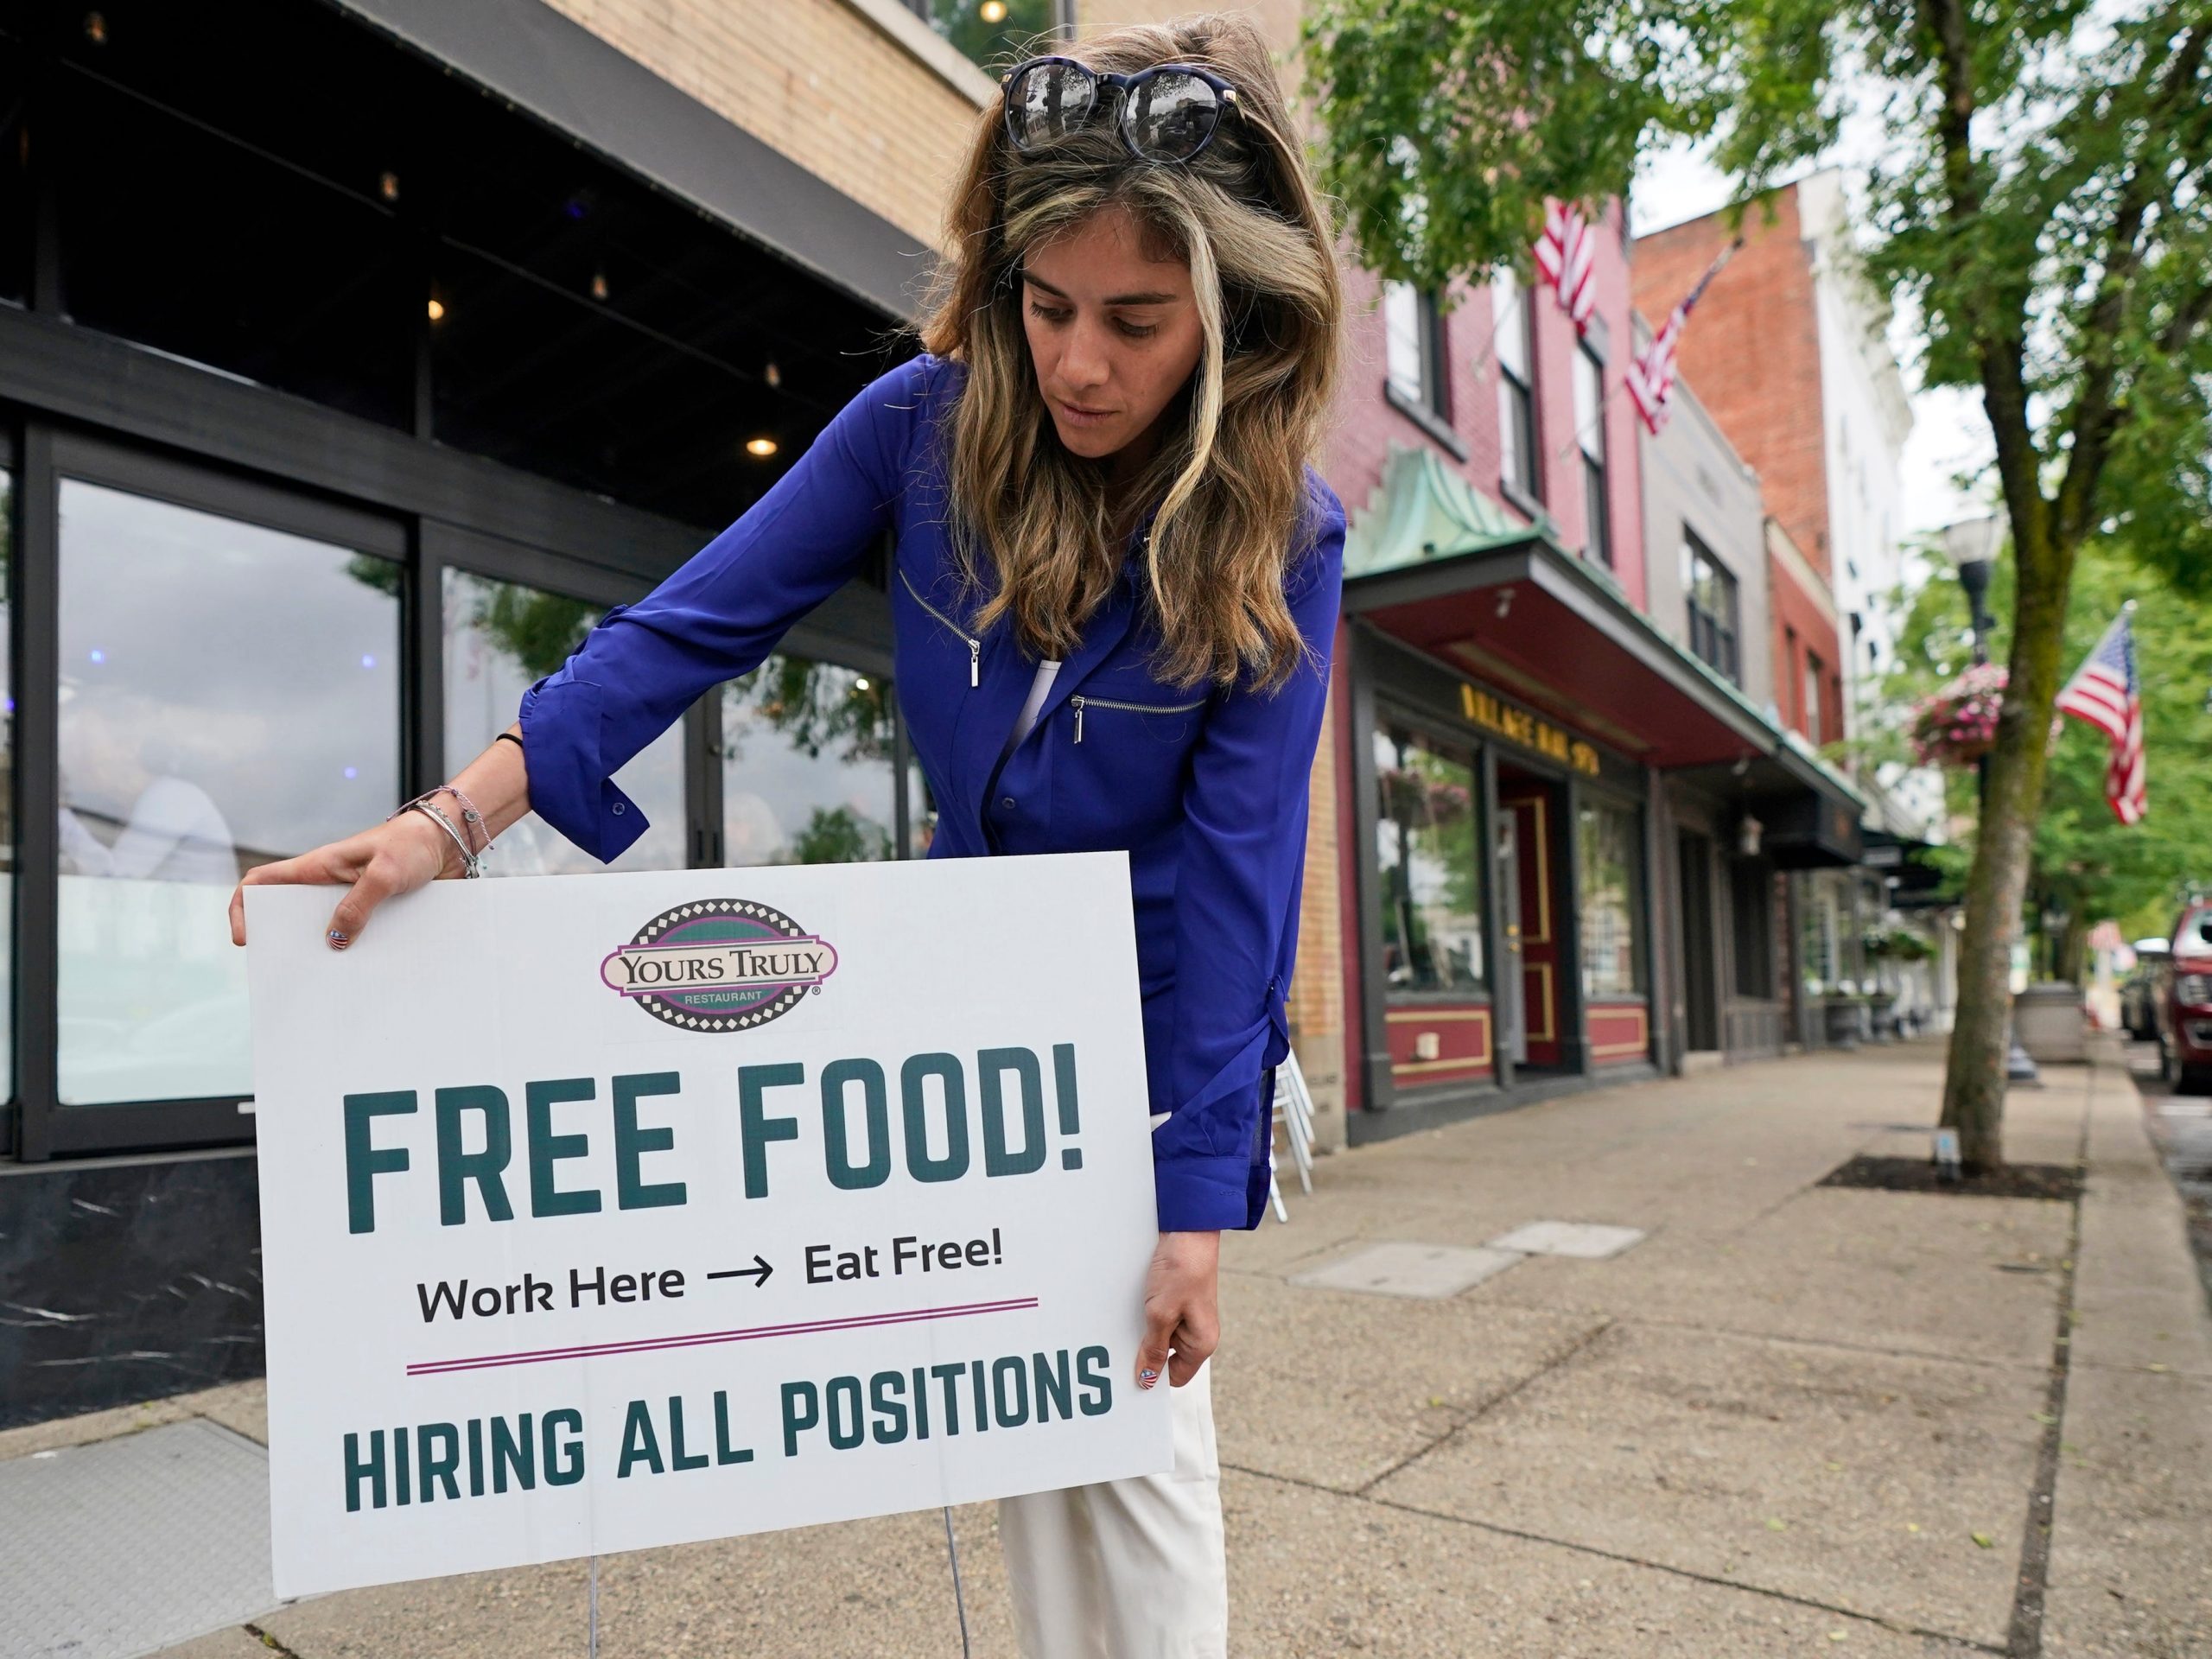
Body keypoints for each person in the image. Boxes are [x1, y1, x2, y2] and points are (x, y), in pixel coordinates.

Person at [228, 13, 1345, 1654]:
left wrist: (1193, 1206)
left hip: (1159, 1022)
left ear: (1233, 318)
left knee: (1145, 1444)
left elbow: (1248, 874)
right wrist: (453, 823)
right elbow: (693, 625)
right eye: (1045, 308)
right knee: (1031, 1423)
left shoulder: (1282, 529)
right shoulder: (919, 426)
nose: (1080, 364)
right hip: (981, 1007)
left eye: (1136, 321)